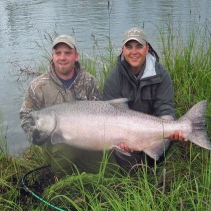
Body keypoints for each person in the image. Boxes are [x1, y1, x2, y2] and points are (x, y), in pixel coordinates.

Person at [20, 34, 117, 178]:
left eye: (67, 53)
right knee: (65, 149)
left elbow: (103, 114)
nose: (62, 57)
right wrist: (35, 135)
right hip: (58, 144)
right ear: (52, 56)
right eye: (58, 53)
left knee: (111, 171)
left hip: (90, 140)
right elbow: (26, 116)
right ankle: (63, 180)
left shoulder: (89, 82)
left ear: (76, 56)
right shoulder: (38, 86)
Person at [103, 27, 185, 173]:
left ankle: (152, 166)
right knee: (130, 169)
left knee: (152, 163)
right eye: (129, 47)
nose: (134, 52)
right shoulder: (113, 78)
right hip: (124, 134)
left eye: (139, 46)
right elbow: (110, 117)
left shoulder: (161, 74)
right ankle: (133, 173)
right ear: (123, 49)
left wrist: (172, 127)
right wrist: (120, 139)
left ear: (147, 49)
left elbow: (165, 107)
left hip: (154, 131)